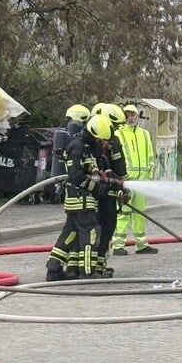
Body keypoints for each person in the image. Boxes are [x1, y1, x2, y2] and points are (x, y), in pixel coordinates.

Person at [45, 114, 121, 281]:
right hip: (80, 198)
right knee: (92, 231)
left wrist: (112, 182)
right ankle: (87, 271)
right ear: (94, 134)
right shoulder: (77, 147)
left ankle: (53, 268)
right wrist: (98, 188)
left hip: (85, 199)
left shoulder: (90, 148)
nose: (104, 144)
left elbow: (99, 169)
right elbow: (75, 177)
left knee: (70, 233)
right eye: (102, 140)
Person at [113, 104, 158, 256]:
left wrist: (150, 176)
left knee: (140, 213)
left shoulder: (144, 134)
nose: (130, 117)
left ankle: (141, 244)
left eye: (133, 115)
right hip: (126, 180)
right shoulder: (118, 134)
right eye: (127, 115)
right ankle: (118, 245)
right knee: (123, 212)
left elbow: (151, 156)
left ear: (138, 116)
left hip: (142, 181)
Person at [92, 103, 128, 277]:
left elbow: (119, 166)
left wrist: (123, 185)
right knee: (101, 229)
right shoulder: (99, 142)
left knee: (108, 228)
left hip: (110, 191)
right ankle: (95, 267)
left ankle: (101, 265)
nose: (116, 129)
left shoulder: (111, 140)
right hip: (100, 194)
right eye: (115, 125)